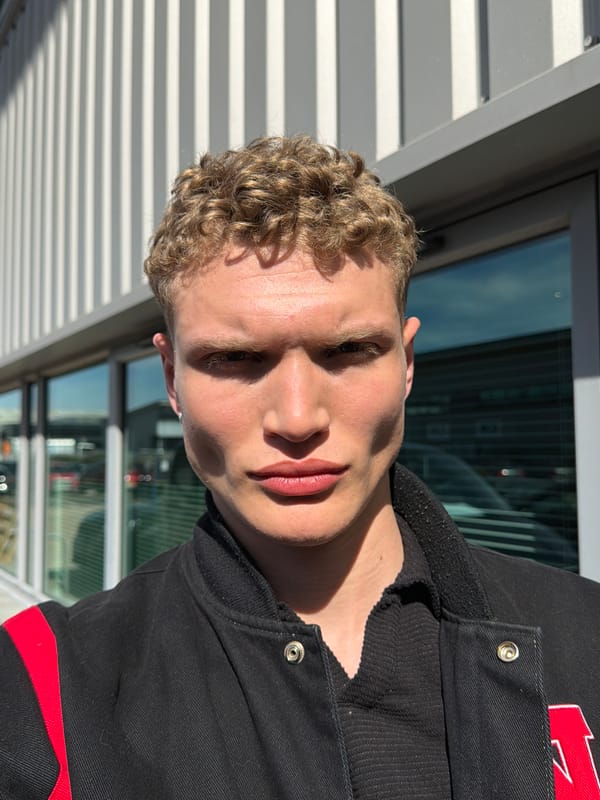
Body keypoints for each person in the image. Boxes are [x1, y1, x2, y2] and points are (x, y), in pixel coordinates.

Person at [1, 136, 599, 800]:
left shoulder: (588, 636)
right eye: (234, 359)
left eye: (346, 350)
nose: (295, 417)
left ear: (405, 364)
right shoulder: (47, 688)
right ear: (171, 376)